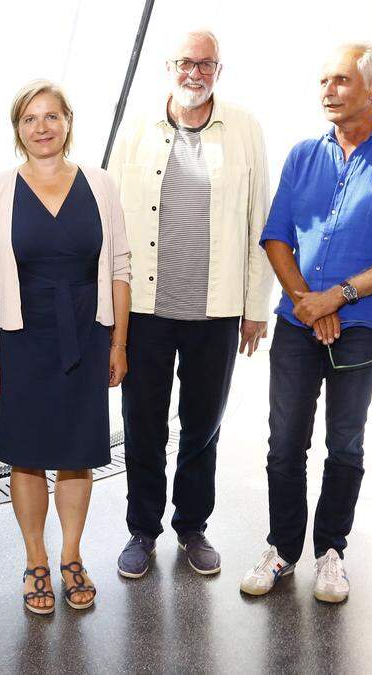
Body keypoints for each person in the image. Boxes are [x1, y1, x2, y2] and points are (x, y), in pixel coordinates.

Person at [239, 43, 372, 602]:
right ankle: (281, 549)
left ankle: (331, 553)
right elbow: (277, 235)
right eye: (323, 80)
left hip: (365, 328)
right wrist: (308, 301)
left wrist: (339, 298)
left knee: (344, 443)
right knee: (284, 444)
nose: (328, 90)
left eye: (341, 80)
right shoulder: (303, 154)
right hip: (299, 324)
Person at [107, 29, 272, 579]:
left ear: (218, 71)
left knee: (203, 427)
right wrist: (112, 315)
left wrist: (254, 306)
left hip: (216, 313)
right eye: (186, 63)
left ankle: (192, 527)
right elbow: (112, 230)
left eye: (206, 64)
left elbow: (259, 225)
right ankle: (142, 530)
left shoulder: (244, 129)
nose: (195, 73)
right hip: (148, 312)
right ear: (169, 67)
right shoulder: (136, 132)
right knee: (143, 426)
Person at [0, 80, 131, 614]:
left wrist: (119, 342)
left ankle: (71, 555)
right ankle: (35, 559)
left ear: (68, 122)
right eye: (29, 119)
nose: (41, 128)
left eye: (51, 117)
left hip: (88, 335)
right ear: (17, 130)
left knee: (78, 454)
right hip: (23, 338)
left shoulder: (102, 185)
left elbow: (120, 269)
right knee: (28, 454)